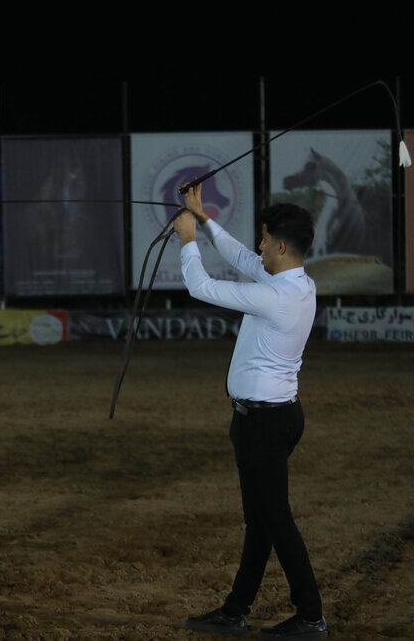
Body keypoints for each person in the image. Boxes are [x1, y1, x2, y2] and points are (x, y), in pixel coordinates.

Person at [174, 183, 328, 640]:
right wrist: (201, 218)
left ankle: (310, 616)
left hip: (264, 422)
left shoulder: (275, 297)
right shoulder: (296, 284)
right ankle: (236, 610)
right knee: (261, 520)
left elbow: (200, 286)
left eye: (263, 239)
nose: (258, 246)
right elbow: (244, 259)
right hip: (269, 418)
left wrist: (187, 240)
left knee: (274, 519)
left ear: (280, 246)